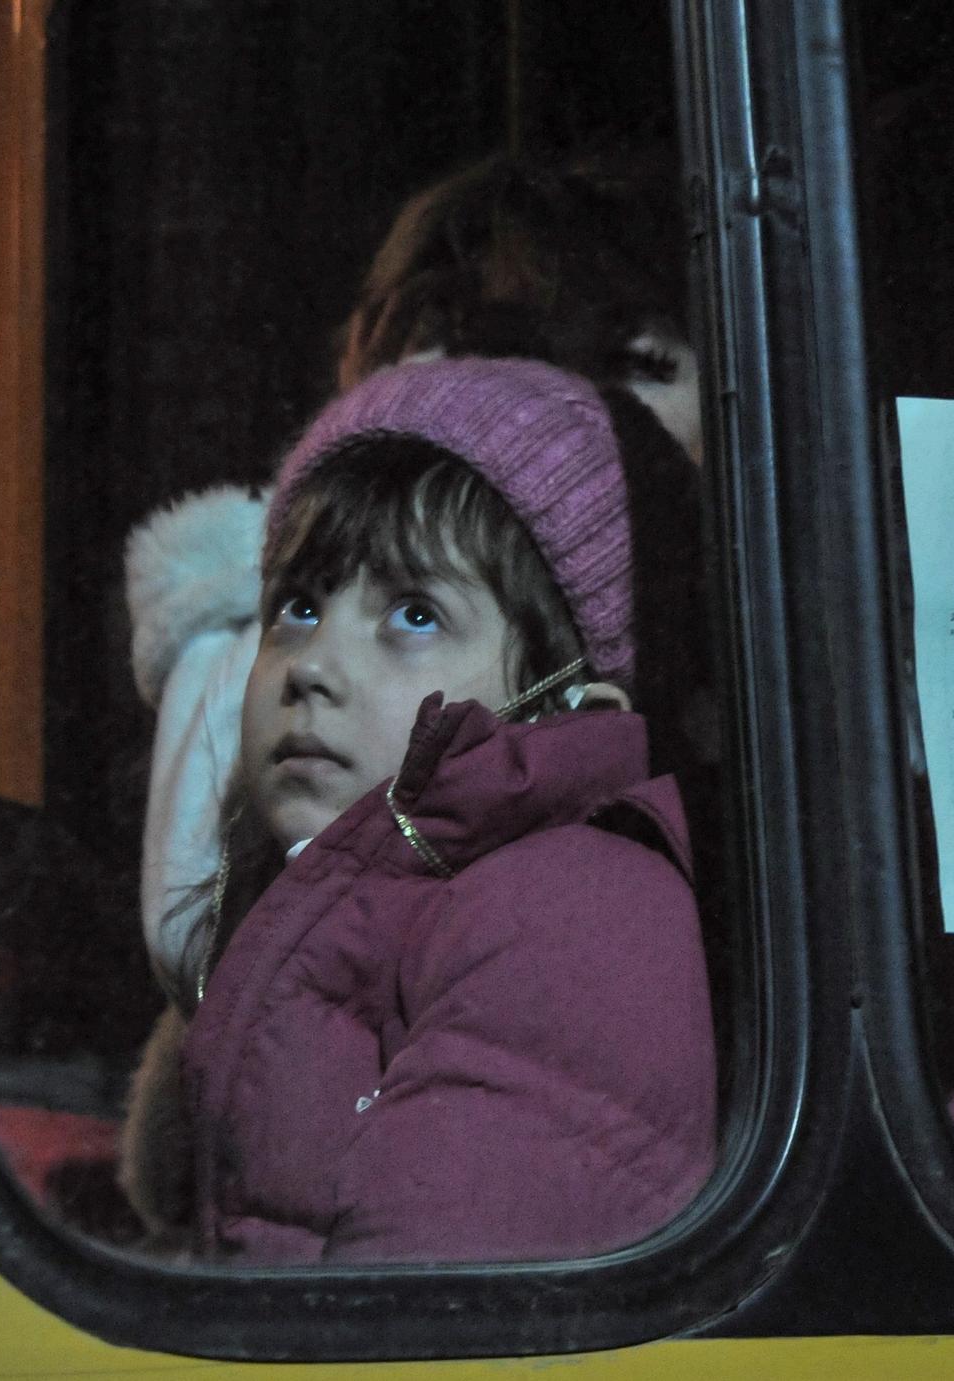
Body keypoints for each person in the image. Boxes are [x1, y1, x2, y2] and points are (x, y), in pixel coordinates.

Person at [118, 155, 705, 1240]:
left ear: (564, 690)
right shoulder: (341, 891)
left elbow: (436, 1295)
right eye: (294, 605)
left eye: (415, 616)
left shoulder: (563, 920)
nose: (314, 662)